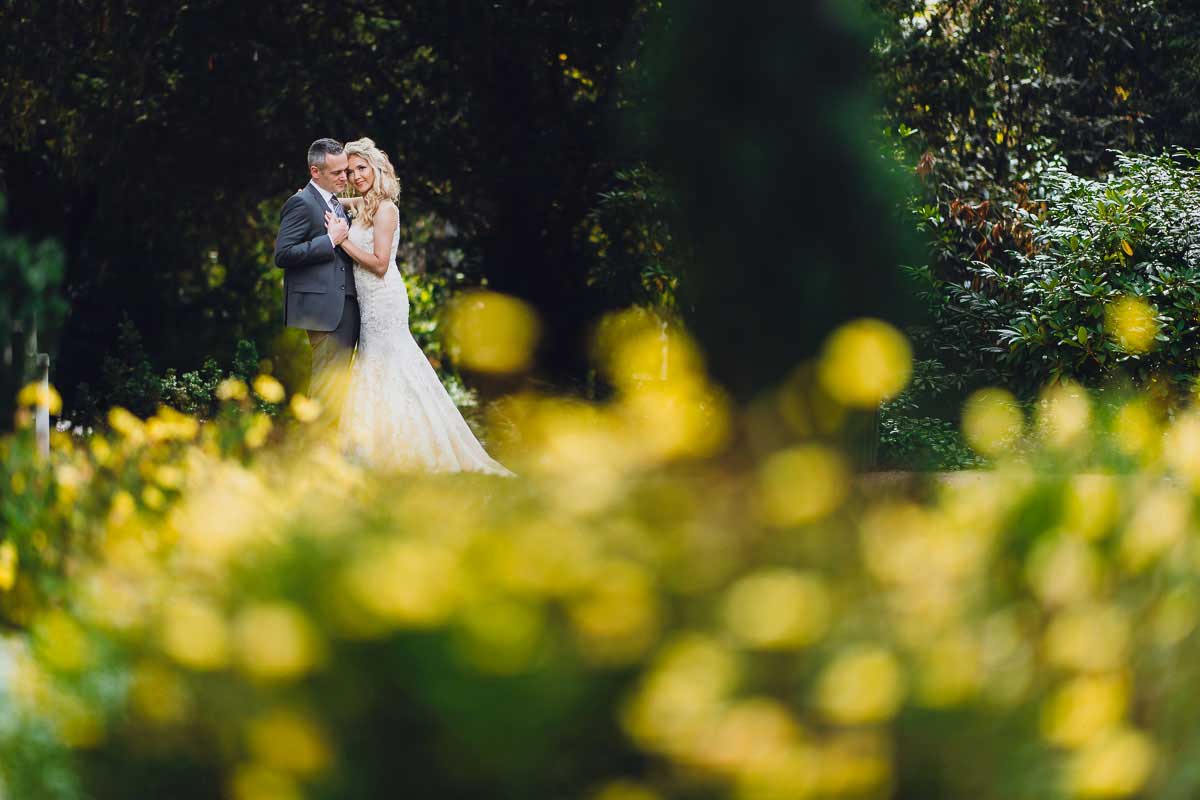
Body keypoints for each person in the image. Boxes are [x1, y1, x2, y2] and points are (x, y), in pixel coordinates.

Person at [332, 137, 513, 475]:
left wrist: (342, 241)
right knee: (374, 366)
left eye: (361, 168)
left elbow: (379, 263)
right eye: (350, 170)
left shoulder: (386, 209)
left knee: (394, 366)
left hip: (385, 299)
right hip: (368, 301)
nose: (356, 176)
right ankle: (374, 446)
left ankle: (406, 446)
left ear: (376, 168)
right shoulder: (364, 204)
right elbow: (330, 201)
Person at [274, 138, 358, 432]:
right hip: (325, 309)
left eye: (345, 171)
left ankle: (326, 452)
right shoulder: (301, 202)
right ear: (315, 171)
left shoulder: (333, 201)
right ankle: (313, 454)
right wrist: (329, 241)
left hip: (346, 305)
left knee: (337, 383)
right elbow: (283, 254)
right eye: (336, 173)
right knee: (326, 383)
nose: (344, 178)